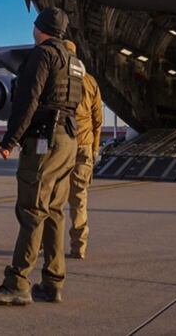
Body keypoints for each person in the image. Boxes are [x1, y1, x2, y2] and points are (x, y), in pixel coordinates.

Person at [0, 7, 85, 307]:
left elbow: (28, 100)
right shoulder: (75, 62)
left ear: (40, 29)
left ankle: (17, 283)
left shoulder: (42, 55)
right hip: (68, 140)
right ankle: (52, 282)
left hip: (44, 141)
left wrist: (10, 140)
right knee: (54, 211)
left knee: (31, 210)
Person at [68, 72, 103, 260]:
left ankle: (44, 243)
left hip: (62, 145)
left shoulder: (59, 75)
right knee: (79, 199)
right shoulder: (90, 81)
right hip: (85, 145)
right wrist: (95, 147)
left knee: (50, 198)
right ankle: (79, 247)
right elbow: (98, 119)